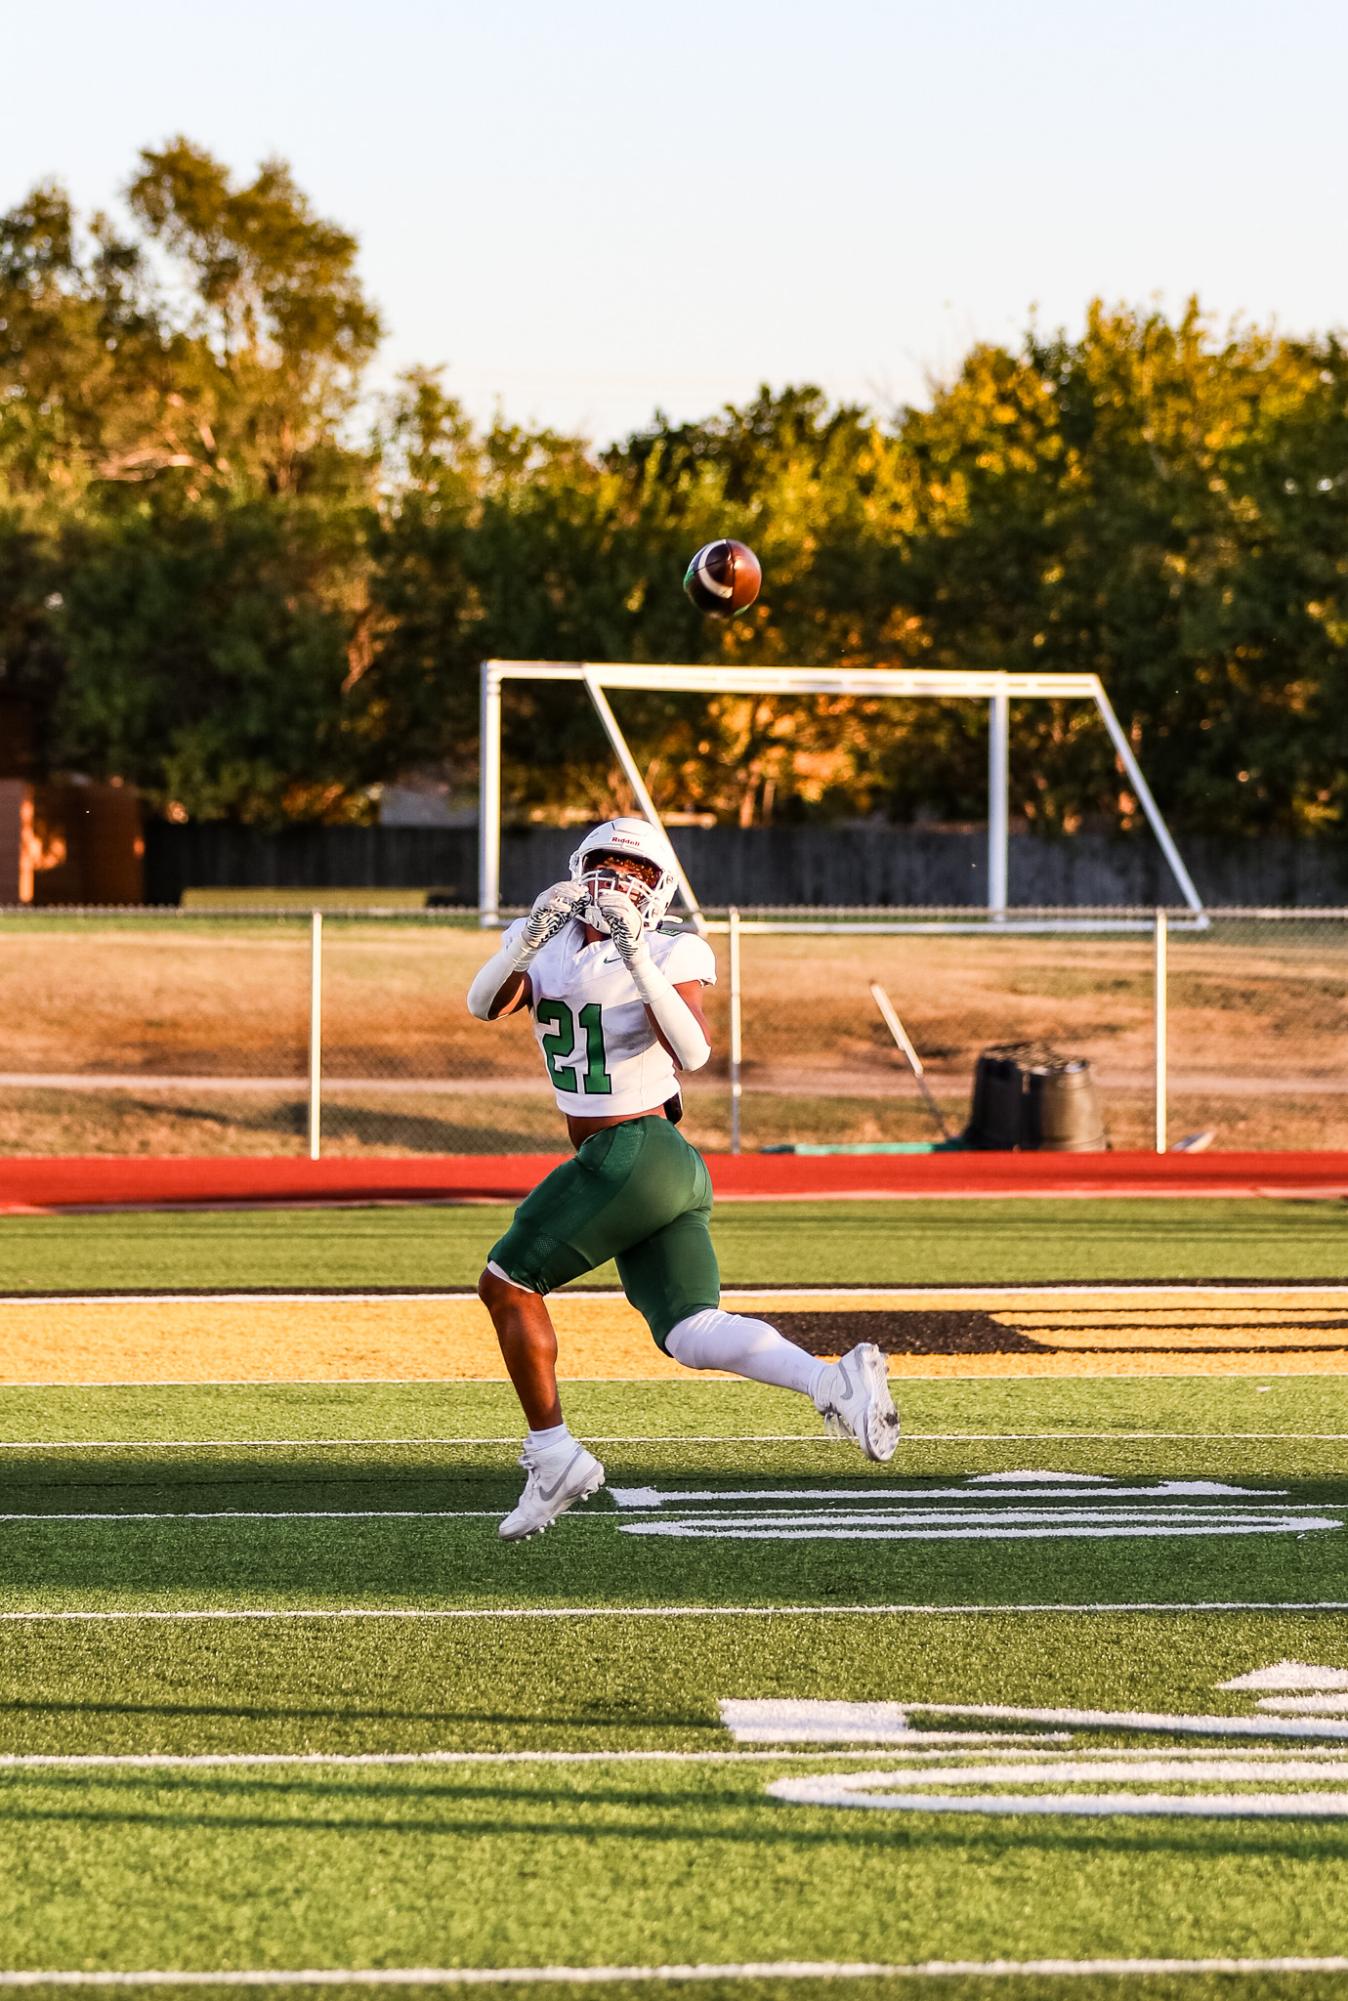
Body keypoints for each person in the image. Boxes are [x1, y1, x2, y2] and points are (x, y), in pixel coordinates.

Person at [467, 815, 899, 1540]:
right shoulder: (548, 943)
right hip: (657, 1163)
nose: (614, 878)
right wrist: (525, 937)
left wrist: (637, 957)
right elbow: (483, 1002)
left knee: (506, 1284)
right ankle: (834, 1382)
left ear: (656, 888)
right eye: (603, 862)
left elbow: (694, 1051)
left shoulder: (670, 948)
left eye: (631, 870)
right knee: (690, 1330)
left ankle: (554, 1455)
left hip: (632, 1149)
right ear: (580, 867)